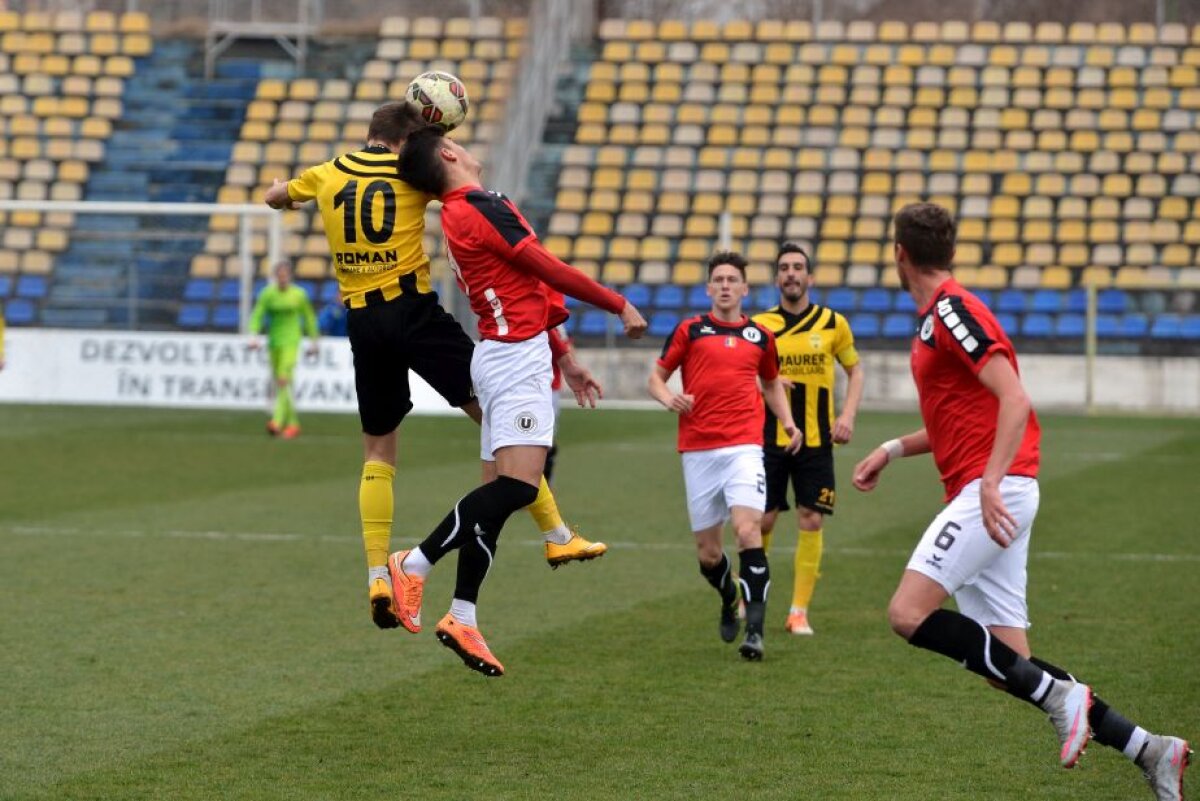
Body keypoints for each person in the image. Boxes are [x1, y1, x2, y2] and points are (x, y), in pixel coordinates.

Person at [851, 202, 1190, 800]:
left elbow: (1014, 397)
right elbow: (959, 420)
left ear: (899, 254)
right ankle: (1151, 749)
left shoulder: (953, 310)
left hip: (993, 493)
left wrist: (989, 480)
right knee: (1009, 670)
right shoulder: (939, 317)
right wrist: (891, 448)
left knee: (907, 614)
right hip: (996, 490)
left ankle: (1066, 699)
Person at [264, 102, 607, 632]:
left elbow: (273, 197)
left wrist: (286, 194)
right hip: (415, 314)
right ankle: (556, 533)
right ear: (405, 143)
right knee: (498, 420)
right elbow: (450, 186)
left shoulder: (329, 173)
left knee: (379, 451)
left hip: (363, 320)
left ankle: (378, 574)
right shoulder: (410, 177)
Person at [387, 124, 646, 675]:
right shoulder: (478, 207)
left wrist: (566, 356)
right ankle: (413, 562)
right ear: (450, 153)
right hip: (515, 360)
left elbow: (532, 284)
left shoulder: (470, 211)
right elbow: (550, 269)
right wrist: (616, 303)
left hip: (509, 352)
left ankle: (463, 616)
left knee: (495, 502)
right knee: (519, 486)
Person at [648, 251, 803, 661]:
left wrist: (788, 423)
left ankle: (755, 632)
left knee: (748, 531)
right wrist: (669, 398)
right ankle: (726, 594)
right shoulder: (690, 330)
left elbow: (771, 385)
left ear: (745, 288)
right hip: (698, 449)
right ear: (708, 288)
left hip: (744, 447)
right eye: (718, 279)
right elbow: (656, 378)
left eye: (733, 279)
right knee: (709, 554)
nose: (725, 285)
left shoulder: (760, 337)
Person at [752, 242, 864, 635]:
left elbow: (855, 370)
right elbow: (743, 372)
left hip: (817, 438)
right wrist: (764, 380)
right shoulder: (761, 325)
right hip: (770, 435)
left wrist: (847, 415)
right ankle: (754, 597)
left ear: (810, 277)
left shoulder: (833, 323)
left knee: (811, 518)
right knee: (762, 519)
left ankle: (798, 611)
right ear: (777, 277)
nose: (791, 274)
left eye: (798, 267)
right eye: (784, 268)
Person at [247, 260, 319, 439]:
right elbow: (258, 314)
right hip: (274, 343)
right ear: (275, 277)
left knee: (282, 379)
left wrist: (313, 340)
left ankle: (277, 421)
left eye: (285, 275)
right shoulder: (268, 294)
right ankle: (293, 424)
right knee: (283, 384)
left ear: (290, 276)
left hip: (291, 342)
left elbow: (309, 317)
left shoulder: (298, 295)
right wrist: (254, 335)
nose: (282, 279)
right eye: (279, 276)